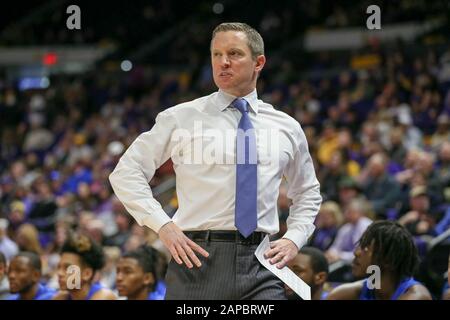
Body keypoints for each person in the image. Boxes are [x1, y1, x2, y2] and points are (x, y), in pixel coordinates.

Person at [109, 22, 322, 299]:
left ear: (259, 62)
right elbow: (126, 172)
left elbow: (307, 192)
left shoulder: (287, 126)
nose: (223, 62)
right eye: (216, 54)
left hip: (263, 261)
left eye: (234, 54)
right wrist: (163, 224)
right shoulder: (180, 117)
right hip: (196, 258)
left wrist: (294, 238)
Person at [327, 221, 432, 300]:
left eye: (366, 248)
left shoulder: (416, 296)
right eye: (360, 246)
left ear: (388, 259)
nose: (356, 253)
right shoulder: (346, 293)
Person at [53, 233, 116, 300]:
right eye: (59, 267)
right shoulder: (61, 297)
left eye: (67, 268)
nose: (59, 273)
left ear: (87, 274)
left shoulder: (104, 296)